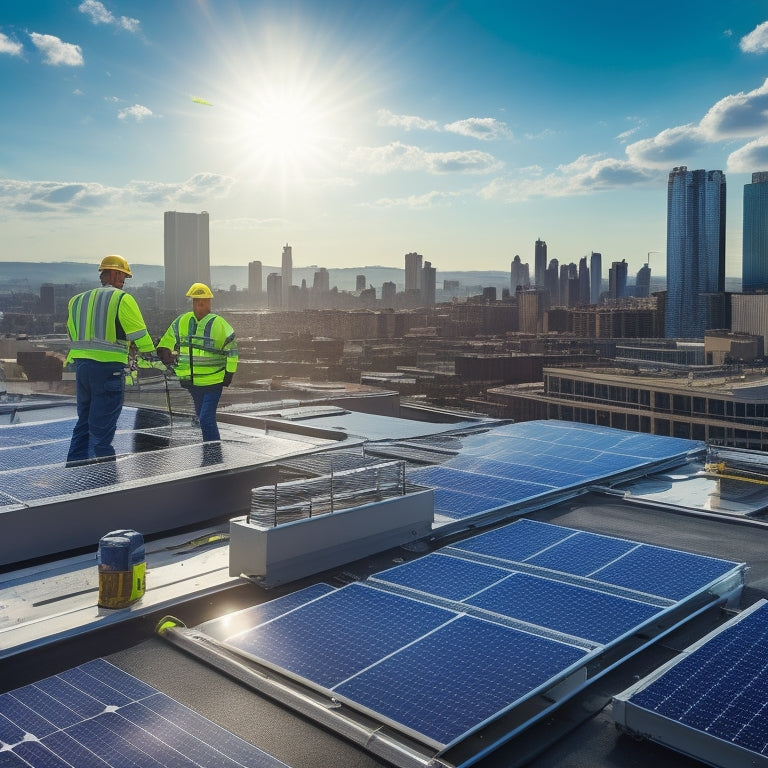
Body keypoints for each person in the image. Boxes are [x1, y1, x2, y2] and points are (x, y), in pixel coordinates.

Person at [66, 255, 155, 465]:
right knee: (102, 429)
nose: (124, 281)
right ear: (114, 274)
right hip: (107, 371)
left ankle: (75, 471)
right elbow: (139, 334)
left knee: (84, 423)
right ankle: (105, 479)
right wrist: (151, 355)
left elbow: (72, 333)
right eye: (123, 276)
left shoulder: (77, 301)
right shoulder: (122, 299)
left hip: (82, 369)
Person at [156, 282, 238, 443]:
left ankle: (213, 454)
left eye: (204, 300)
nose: (200, 304)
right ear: (192, 302)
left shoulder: (219, 324)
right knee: (202, 418)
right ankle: (210, 451)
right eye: (197, 300)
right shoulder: (182, 321)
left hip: (213, 381)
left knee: (206, 418)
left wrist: (229, 372)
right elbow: (166, 342)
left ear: (209, 302)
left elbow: (232, 350)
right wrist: (165, 354)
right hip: (192, 382)